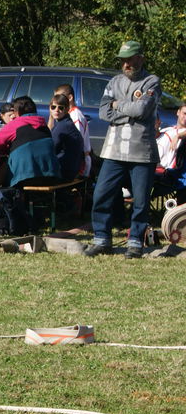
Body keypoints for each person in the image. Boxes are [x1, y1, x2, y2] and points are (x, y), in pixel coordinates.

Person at [87, 40, 161, 259]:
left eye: (130, 59)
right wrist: (127, 112)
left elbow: (142, 110)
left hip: (142, 152)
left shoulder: (152, 81)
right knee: (101, 194)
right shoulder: (114, 82)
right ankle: (102, 239)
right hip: (113, 151)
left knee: (141, 201)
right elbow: (103, 112)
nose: (126, 64)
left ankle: (135, 242)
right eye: (123, 60)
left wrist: (118, 105)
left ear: (140, 59)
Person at [0, 95, 61, 187]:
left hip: (24, 177)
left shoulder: (15, 124)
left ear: (17, 112)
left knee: (5, 164)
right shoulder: (44, 125)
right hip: (51, 175)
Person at [53, 83, 91, 177]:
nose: (57, 101)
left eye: (60, 97)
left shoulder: (75, 115)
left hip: (79, 163)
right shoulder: (66, 115)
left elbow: (76, 142)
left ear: (70, 98)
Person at [49, 94, 83, 181]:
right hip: (71, 170)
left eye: (61, 108)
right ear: (49, 108)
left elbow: (50, 148)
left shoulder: (63, 126)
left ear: (67, 109)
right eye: (53, 107)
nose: (56, 110)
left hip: (63, 173)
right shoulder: (66, 122)